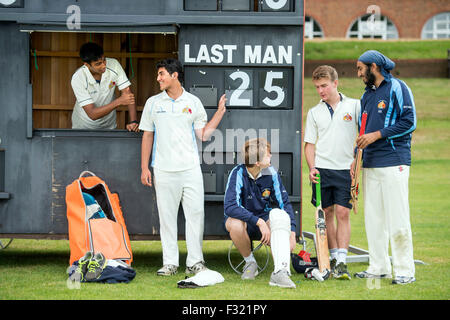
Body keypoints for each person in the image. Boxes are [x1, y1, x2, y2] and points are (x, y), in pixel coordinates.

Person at [139, 58, 226, 276]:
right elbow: (147, 136)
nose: (158, 78)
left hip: (190, 170)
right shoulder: (153, 103)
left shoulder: (193, 102)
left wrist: (220, 112)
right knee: (166, 218)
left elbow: (203, 134)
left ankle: (195, 262)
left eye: (161, 74)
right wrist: (145, 167)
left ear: (174, 75)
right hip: (163, 169)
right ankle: (170, 263)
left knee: (196, 215)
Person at [354, 50, 417, 285]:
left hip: (394, 161)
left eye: (361, 69)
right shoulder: (366, 95)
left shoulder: (398, 87)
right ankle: (378, 267)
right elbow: (362, 131)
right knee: (374, 219)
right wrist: (356, 160)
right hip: (369, 163)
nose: (359, 74)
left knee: (398, 219)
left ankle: (405, 271)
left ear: (373, 66)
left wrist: (377, 135)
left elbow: (410, 122)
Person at [303, 65, 361, 280]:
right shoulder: (314, 112)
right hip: (322, 170)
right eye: (317, 87)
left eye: (324, 85)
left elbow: (362, 137)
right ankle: (334, 258)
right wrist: (311, 168)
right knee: (326, 214)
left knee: (343, 213)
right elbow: (309, 145)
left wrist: (357, 160)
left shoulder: (355, 106)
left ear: (336, 83)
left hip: (346, 169)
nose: (321, 90)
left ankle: (343, 261)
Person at [224, 138, 297, 288]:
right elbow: (230, 207)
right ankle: (250, 263)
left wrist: (293, 232)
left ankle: (280, 272)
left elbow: (285, 204)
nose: (271, 156)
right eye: (267, 154)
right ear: (257, 162)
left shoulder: (271, 172)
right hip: (244, 221)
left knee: (280, 217)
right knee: (236, 224)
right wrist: (258, 222)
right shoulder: (238, 173)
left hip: (263, 219)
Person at [71, 42, 138, 131]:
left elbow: (128, 95)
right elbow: (92, 114)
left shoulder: (114, 64)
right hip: (83, 127)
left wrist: (133, 121)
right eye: (98, 64)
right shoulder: (78, 77)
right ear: (86, 65)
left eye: (104, 60)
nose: (104, 65)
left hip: (109, 126)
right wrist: (119, 101)